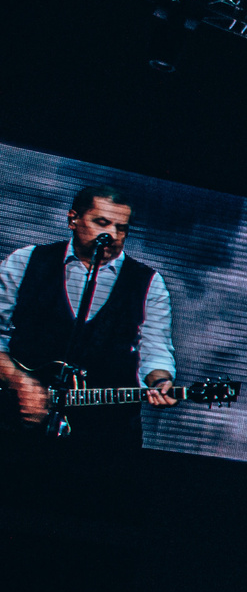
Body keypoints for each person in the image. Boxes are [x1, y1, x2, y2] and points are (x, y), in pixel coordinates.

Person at [1, 184, 182, 448]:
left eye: (121, 228)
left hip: (104, 436)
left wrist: (161, 380)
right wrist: (18, 381)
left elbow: (155, 349)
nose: (112, 234)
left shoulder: (148, 282)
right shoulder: (25, 261)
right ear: (73, 219)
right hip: (16, 425)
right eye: (102, 222)